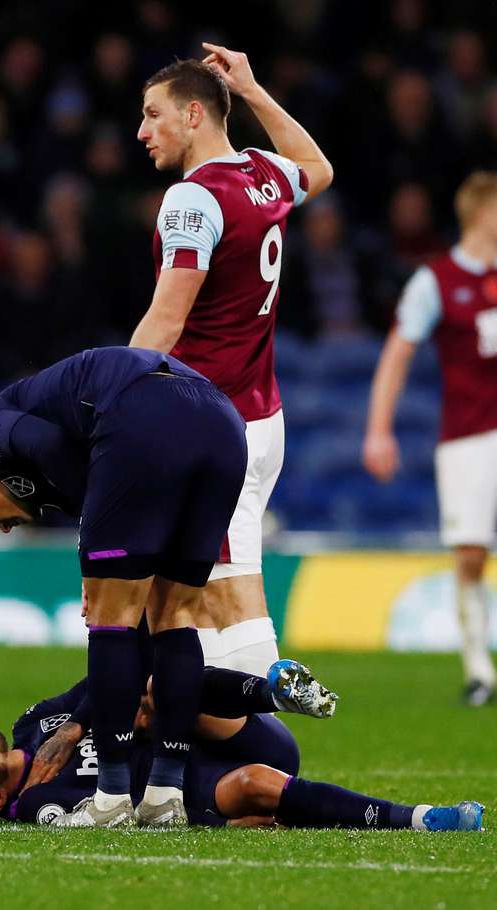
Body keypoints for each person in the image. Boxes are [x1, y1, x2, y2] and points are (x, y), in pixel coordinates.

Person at [0, 346, 247, 827]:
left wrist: (95, 552)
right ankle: (164, 795)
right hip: (222, 423)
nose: (4, 529)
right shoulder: (34, 417)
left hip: (145, 416)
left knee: (113, 619)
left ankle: (111, 797)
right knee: (174, 615)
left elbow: (56, 450)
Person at [131, 47, 334, 675]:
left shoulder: (192, 200)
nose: (142, 132)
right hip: (259, 414)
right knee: (193, 587)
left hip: (211, 422)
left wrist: (107, 392)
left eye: (152, 114)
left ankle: (261, 738)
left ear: (193, 114)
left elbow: (168, 317)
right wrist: (252, 90)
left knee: (224, 589)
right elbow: (316, 167)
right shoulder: (261, 175)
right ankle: (212, 739)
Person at [362, 171, 497, 707]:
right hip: (465, 440)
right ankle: (479, 672)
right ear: (484, 215)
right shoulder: (435, 281)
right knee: (471, 556)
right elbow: (397, 353)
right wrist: (378, 430)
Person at [0, 659, 482, 833]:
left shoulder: (34, 725)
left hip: (220, 731)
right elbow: (83, 826)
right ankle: (423, 818)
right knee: (260, 786)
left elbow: (99, 680)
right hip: (193, 784)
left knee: (150, 688)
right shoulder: (32, 803)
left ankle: (273, 693)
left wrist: (75, 726)